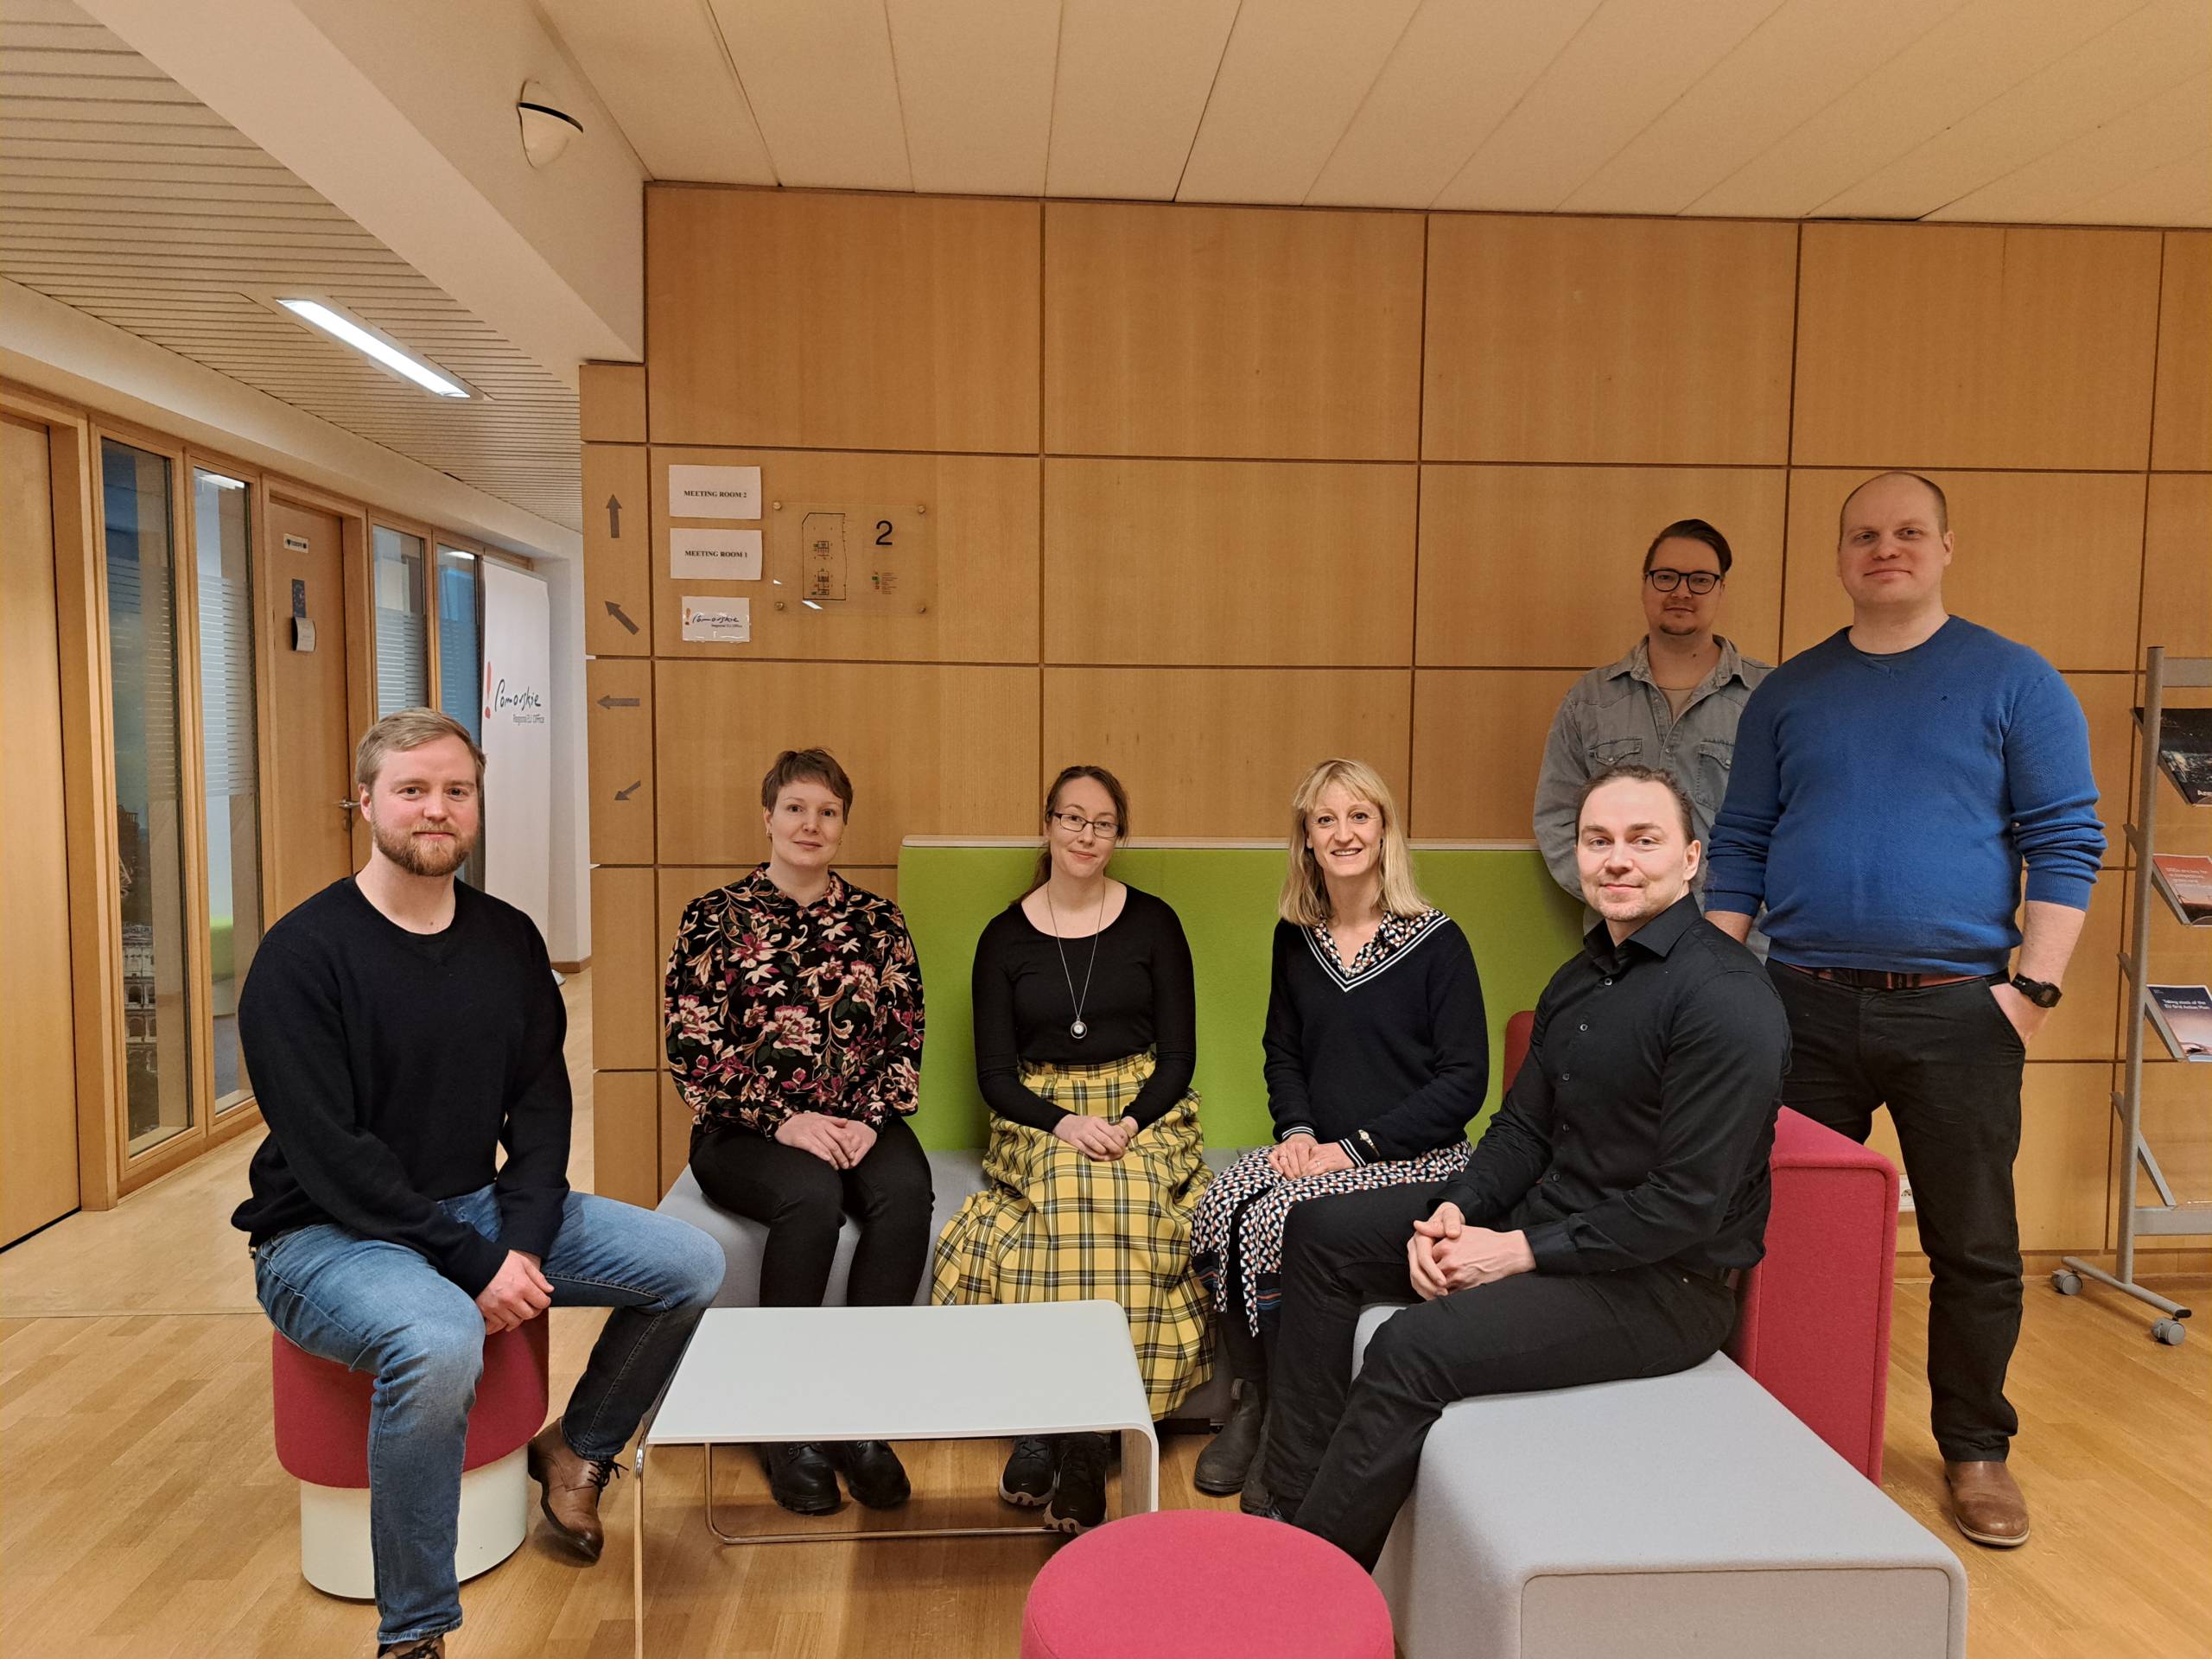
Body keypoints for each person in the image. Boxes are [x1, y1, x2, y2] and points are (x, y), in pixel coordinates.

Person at [234, 709, 726, 1659]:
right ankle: (415, 1631)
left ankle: (579, 1448)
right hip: (325, 1232)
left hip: (475, 1207)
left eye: (456, 791)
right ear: (366, 801)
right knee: (440, 1335)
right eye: (412, 790)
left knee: (690, 1264)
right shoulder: (301, 956)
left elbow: (541, 1108)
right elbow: (333, 1157)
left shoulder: (507, 939)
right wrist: (474, 1263)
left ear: (477, 804)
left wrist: (522, 1243)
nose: (437, 809)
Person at [1705, 471, 2104, 1549]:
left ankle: (1974, 1449)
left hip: (1959, 1014)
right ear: (1840, 557)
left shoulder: (2015, 681)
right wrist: (1716, 981)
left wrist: (2031, 993)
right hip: (1799, 1005)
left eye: (1908, 532)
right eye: (1864, 535)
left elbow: (2065, 840)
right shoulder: (1789, 693)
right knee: (1776, 1229)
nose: (1885, 548)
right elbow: (1740, 842)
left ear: (1945, 548)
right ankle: (1781, 1421)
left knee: (1973, 1245)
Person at [1257, 765, 1789, 1571]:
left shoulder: (1725, 996)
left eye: (1643, 840)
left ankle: (1312, 1585)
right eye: (1598, 840)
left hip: (1660, 1286)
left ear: (1690, 859)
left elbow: (1685, 1206)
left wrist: (1514, 1252)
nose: (1617, 859)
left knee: (1409, 1346)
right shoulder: (1580, 979)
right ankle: (1291, 1501)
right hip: (1553, 1222)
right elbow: (1520, 1132)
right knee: (1321, 1228)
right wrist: (1458, 1211)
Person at [1188, 758, 1487, 1514]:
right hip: (1319, 1148)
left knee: (1277, 1220)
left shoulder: (1438, 941)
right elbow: (1282, 1052)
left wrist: (1352, 1149)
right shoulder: (1297, 939)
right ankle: (1253, 1400)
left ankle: (1286, 1426)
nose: (1344, 833)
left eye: (1359, 816)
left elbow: (1464, 1082)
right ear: (1307, 839)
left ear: (1384, 830)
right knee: (1223, 1201)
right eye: (1326, 819)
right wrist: (1294, 1131)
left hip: (1414, 1157)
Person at [931, 765, 1211, 1533]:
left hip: (1143, 1103)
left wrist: (1129, 1123)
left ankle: (1084, 1442)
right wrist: (1065, 1124)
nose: (1087, 835)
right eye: (1073, 818)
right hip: (1040, 1110)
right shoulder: (1004, 937)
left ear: (1119, 835)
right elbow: (995, 1077)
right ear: (1048, 824)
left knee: (1123, 1189)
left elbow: (1179, 1057)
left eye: (1103, 823)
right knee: (1064, 1184)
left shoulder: (1155, 923)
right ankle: (1044, 1419)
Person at [665, 747, 931, 1517]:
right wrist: (786, 1121)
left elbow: (905, 1034)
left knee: (906, 1195)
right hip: (744, 1128)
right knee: (811, 1200)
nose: (810, 825)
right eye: (795, 808)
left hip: (858, 1118)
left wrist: (868, 1117)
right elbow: (692, 1046)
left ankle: (858, 1414)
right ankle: (783, 1422)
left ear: (843, 825)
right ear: (768, 817)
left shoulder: (878, 920)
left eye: (827, 812)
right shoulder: (713, 917)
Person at [1533, 517, 1770, 938]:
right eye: (1666, 577)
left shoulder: (1768, 696)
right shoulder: (1590, 701)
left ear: (1721, 590)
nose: (1681, 591)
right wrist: (1620, 894)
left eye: (1700, 579)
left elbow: (1793, 821)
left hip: (1738, 940)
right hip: (1621, 940)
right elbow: (1557, 818)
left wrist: (1740, 909)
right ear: (1645, 585)